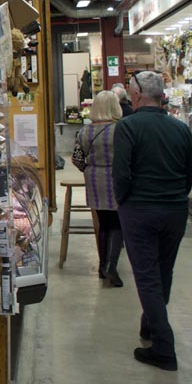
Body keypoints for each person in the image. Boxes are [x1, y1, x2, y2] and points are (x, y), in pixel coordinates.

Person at [112, 71, 192, 372]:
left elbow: (121, 174)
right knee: (163, 271)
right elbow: (188, 172)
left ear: (135, 95)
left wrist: (124, 201)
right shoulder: (181, 129)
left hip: (140, 209)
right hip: (174, 209)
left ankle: (164, 346)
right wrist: (177, 196)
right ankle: (150, 323)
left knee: (146, 276)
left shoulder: (129, 126)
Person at [73, 91, 124, 287]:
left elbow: (77, 158)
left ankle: (103, 266)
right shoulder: (120, 129)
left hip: (94, 179)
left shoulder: (85, 131)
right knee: (118, 223)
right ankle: (112, 264)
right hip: (116, 178)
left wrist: (88, 170)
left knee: (103, 223)